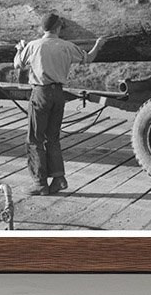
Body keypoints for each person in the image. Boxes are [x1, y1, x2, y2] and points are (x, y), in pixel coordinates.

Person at [12, 14, 108, 196]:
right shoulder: (66, 46)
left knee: (34, 139)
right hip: (58, 95)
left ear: (43, 29)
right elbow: (88, 59)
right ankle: (58, 179)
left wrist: (19, 48)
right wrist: (98, 44)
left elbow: (17, 64)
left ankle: (40, 184)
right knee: (53, 138)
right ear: (58, 29)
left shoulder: (33, 46)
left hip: (40, 94)